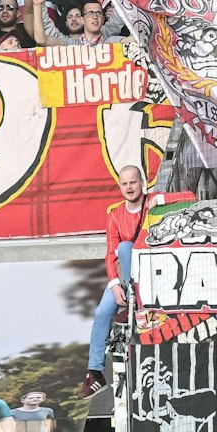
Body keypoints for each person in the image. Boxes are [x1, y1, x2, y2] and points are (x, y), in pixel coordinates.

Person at [81, 165, 150, 395]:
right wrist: (114, 285)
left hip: (151, 274)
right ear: (120, 186)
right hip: (124, 279)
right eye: (125, 183)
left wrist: (160, 200)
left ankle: (133, 300)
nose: (129, 187)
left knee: (127, 247)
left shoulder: (152, 204)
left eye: (133, 182)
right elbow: (110, 254)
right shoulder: (115, 215)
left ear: (142, 182)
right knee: (101, 313)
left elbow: (188, 198)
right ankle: (95, 373)